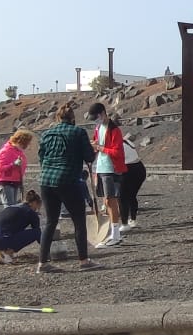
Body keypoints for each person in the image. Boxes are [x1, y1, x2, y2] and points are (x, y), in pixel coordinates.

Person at [36, 102, 98, 272]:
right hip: (68, 179)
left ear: (58, 117)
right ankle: (84, 261)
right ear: (72, 118)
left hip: (46, 180)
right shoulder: (78, 132)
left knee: (50, 222)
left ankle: (43, 263)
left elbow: (41, 157)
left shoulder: (47, 133)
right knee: (78, 221)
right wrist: (94, 150)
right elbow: (89, 157)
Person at [88, 103, 127, 247]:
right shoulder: (98, 128)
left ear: (103, 113)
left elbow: (117, 152)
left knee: (111, 201)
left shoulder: (114, 130)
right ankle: (113, 233)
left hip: (112, 169)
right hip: (101, 168)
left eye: (97, 117)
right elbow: (97, 145)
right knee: (106, 202)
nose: (96, 121)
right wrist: (94, 146)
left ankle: (115, 235)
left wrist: (100, 148)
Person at [0, 189, 43, 265]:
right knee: (36, 232)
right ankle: (5, 254)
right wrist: (47, 248)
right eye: (38, 205)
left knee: (8, 232)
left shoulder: (12, 207)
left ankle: (0, 253)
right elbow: (38, 233)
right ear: (34, 203)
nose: (38, 208)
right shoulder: (30, 212)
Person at [0, 130, 33, 206]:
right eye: (25, 143)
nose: (26, 146)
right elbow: (0, 168)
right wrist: (13, 164)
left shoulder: (18, 152)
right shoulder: (5, 151)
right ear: (19, 141)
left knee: (13, 206)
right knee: (9, 206)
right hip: (5, 182)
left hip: (15, 181)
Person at [116, 133, 146, 231]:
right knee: (131, 196)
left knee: (122, 197)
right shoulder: (126, 141)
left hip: (129, 169)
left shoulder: (117, 145)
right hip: (139, 167)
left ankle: (125, 224)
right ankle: (132, 219)